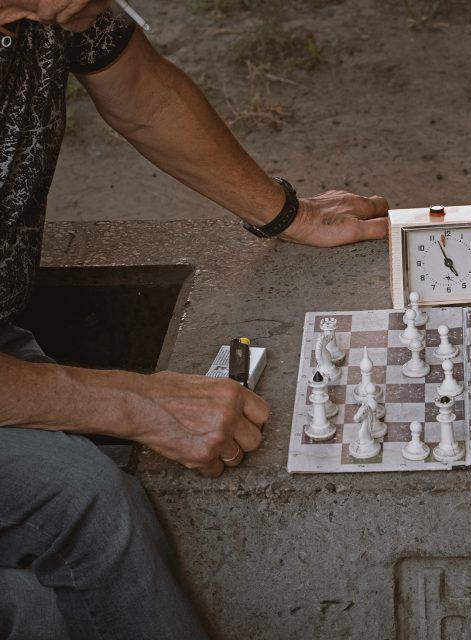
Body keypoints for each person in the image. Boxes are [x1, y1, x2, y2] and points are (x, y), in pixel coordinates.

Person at [0, 1, 388, 638]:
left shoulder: (66, 9)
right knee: (82, 504)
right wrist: (135, 403)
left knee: (55, 599)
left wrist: (290, 215)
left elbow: (144, 96)